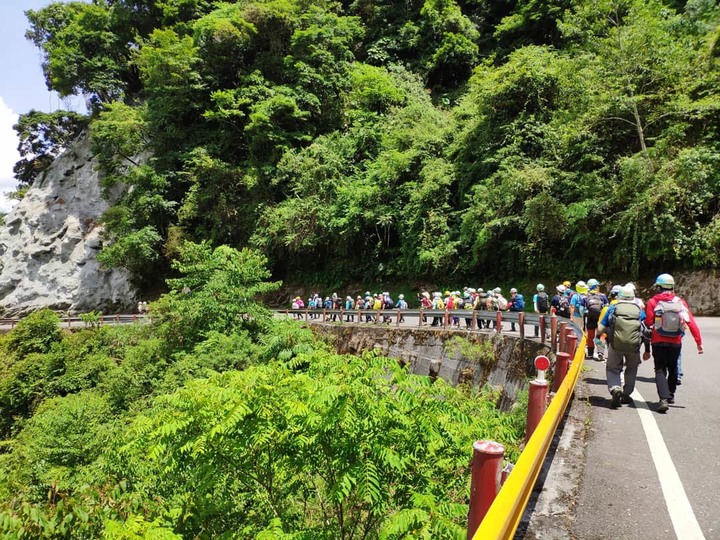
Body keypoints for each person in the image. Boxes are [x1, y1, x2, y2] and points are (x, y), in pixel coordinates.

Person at [644, 273, 703, 413]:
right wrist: (698, 342)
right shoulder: (680, 302)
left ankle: (663, 399)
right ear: (672, 287)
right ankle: (670, 395)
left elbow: (648, 322)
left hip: (658, 341)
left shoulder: (653, 301)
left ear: (658, 287)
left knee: (660, 369)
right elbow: (691, 323)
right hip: (675, 341)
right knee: (673, 368)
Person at [597, 286, 649, 408]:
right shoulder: (639, 311)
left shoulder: (613, 309)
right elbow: (645, 330)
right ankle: (626, 394)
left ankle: (615, 388)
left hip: (615, 345)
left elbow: (600, 329)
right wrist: (647, 348)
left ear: (619, 296)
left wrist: (598, 337)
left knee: (613, 368)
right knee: (631, 369)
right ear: (633, 297)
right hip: (634, 346)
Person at [584, 279, 608, 360]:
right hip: (600, 319)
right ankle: (600, 352)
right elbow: (606, 307)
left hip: (590, 319)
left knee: (590, 336)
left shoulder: (586, 296)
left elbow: (582, 309)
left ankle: (590, 353)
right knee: (600, 336)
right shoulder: (602, 296)